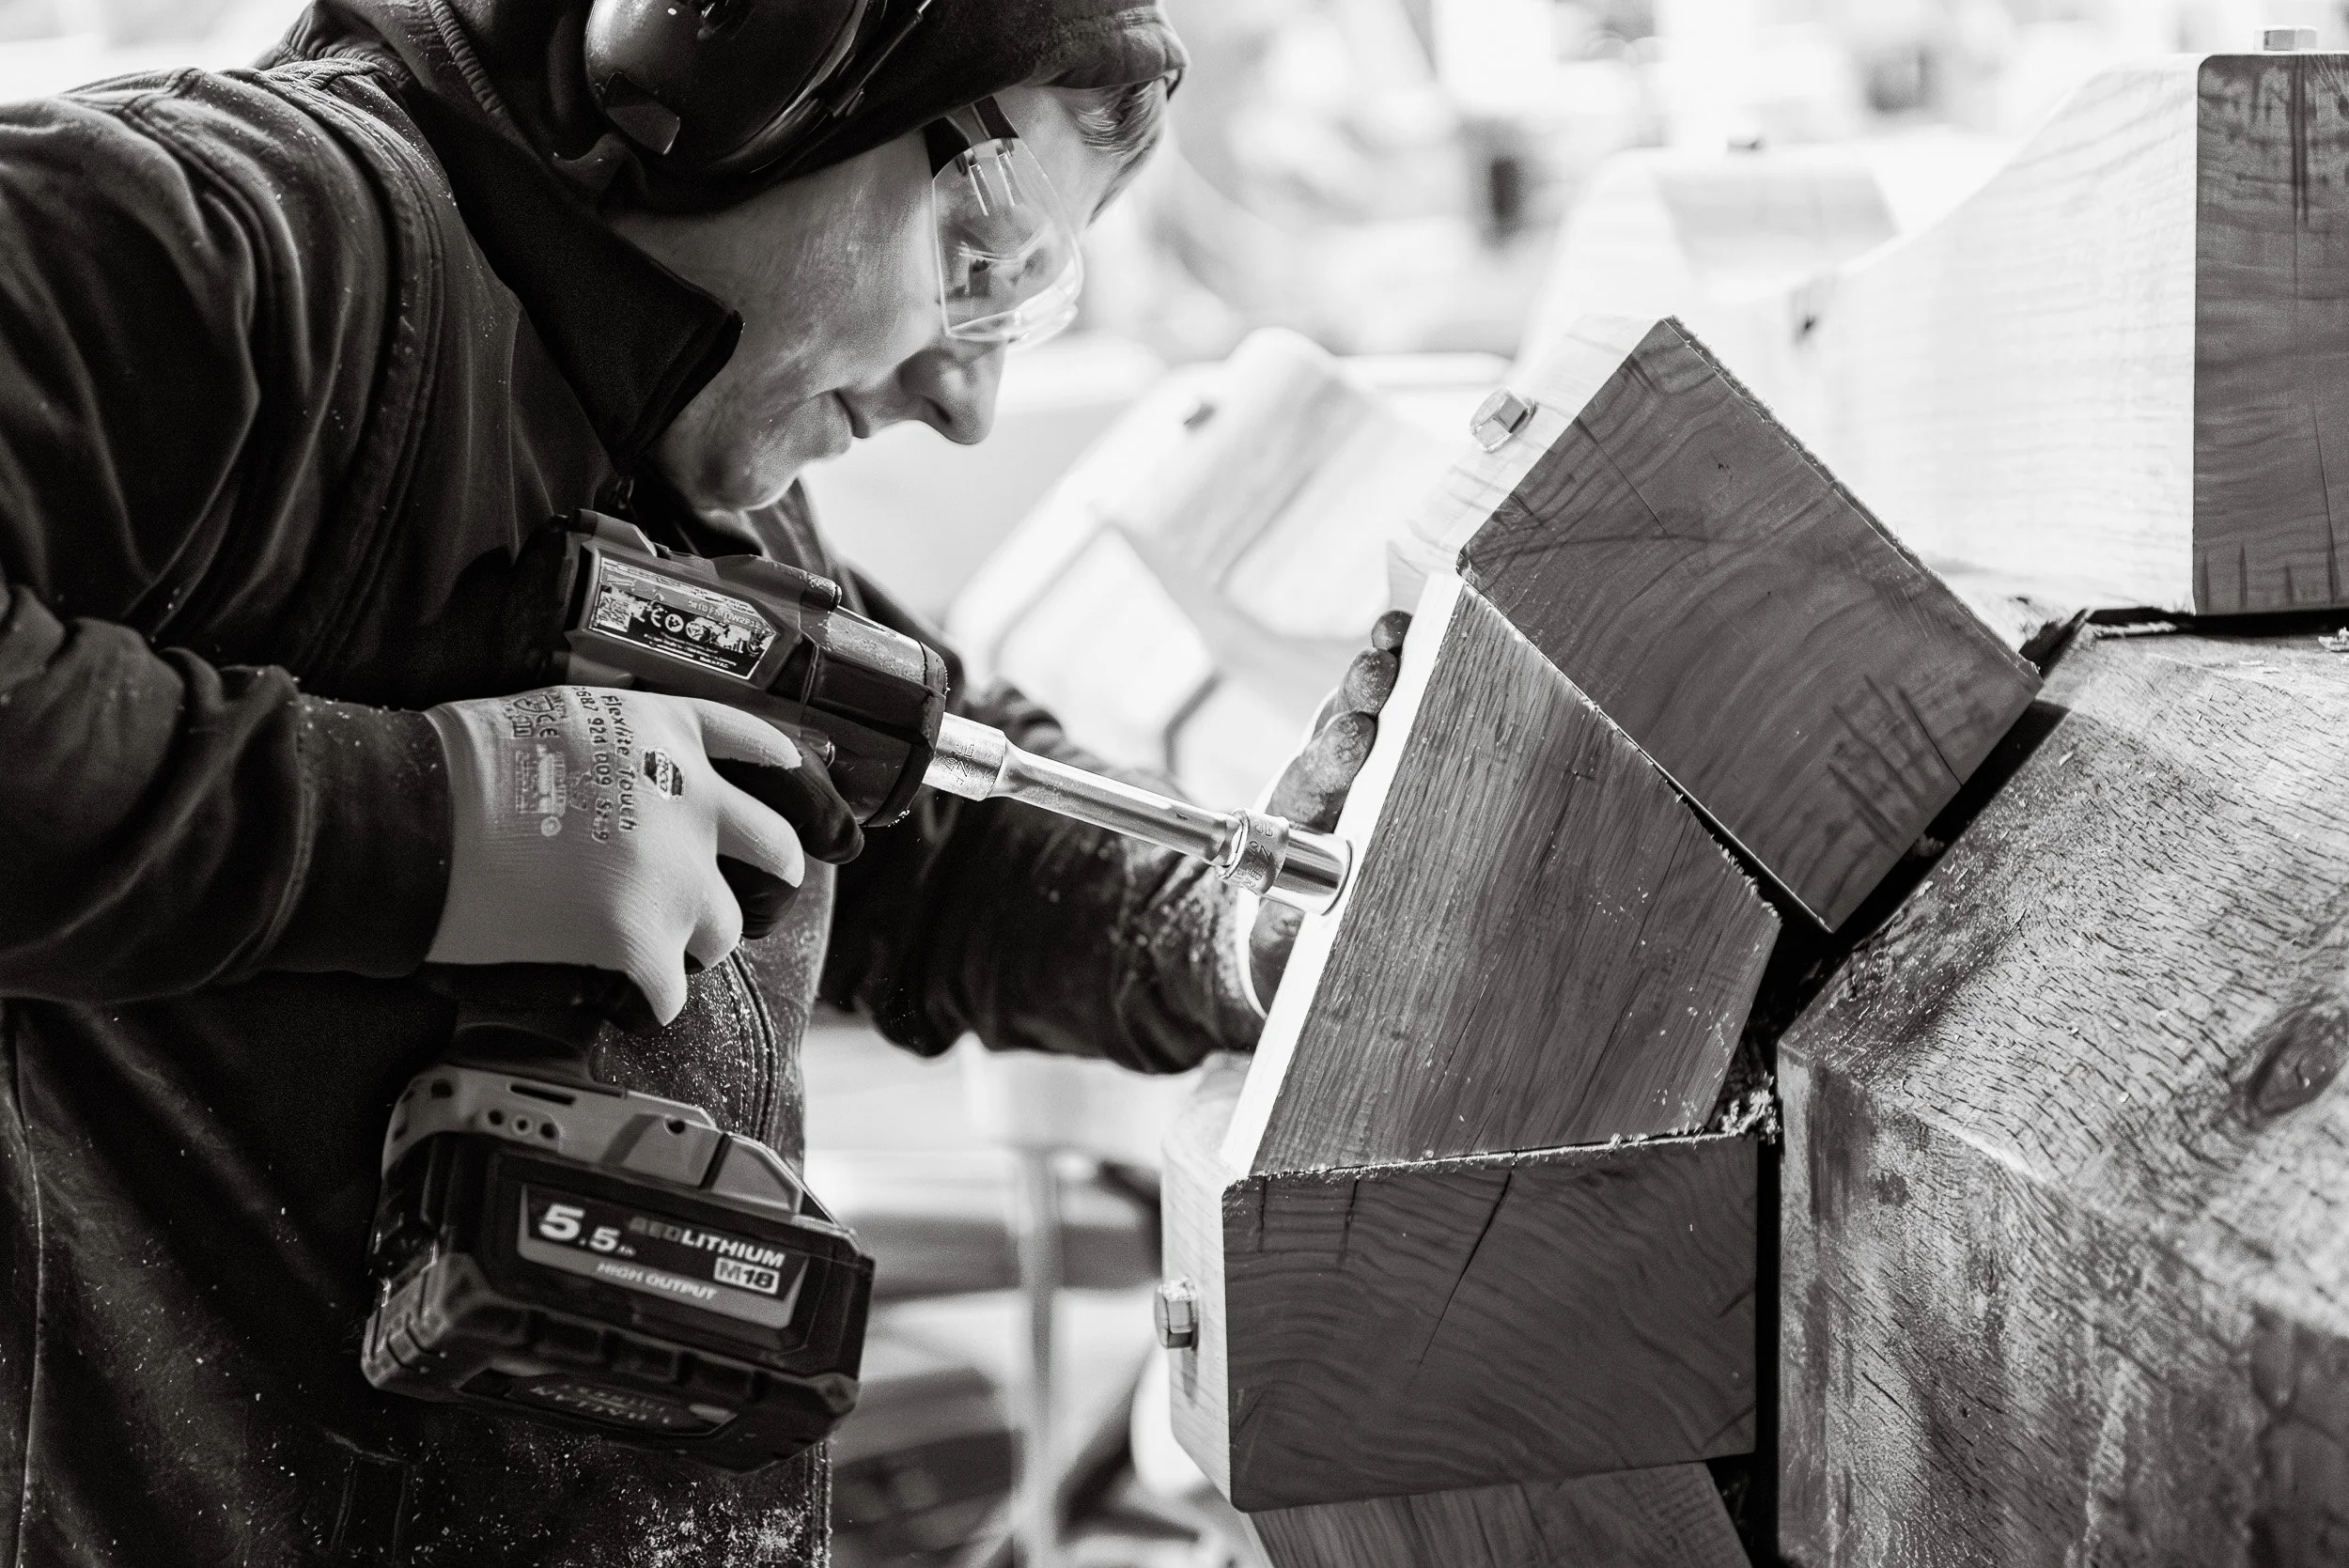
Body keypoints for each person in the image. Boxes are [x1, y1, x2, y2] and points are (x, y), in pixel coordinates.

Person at [0, 0, 1404, 1560]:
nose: (968, 403)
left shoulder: (672, 416)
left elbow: (919, 836)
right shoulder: (234, 235)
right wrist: (434, 825)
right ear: (749, 66)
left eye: (1028, 303)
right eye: (977, 261)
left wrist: (1229, 928)